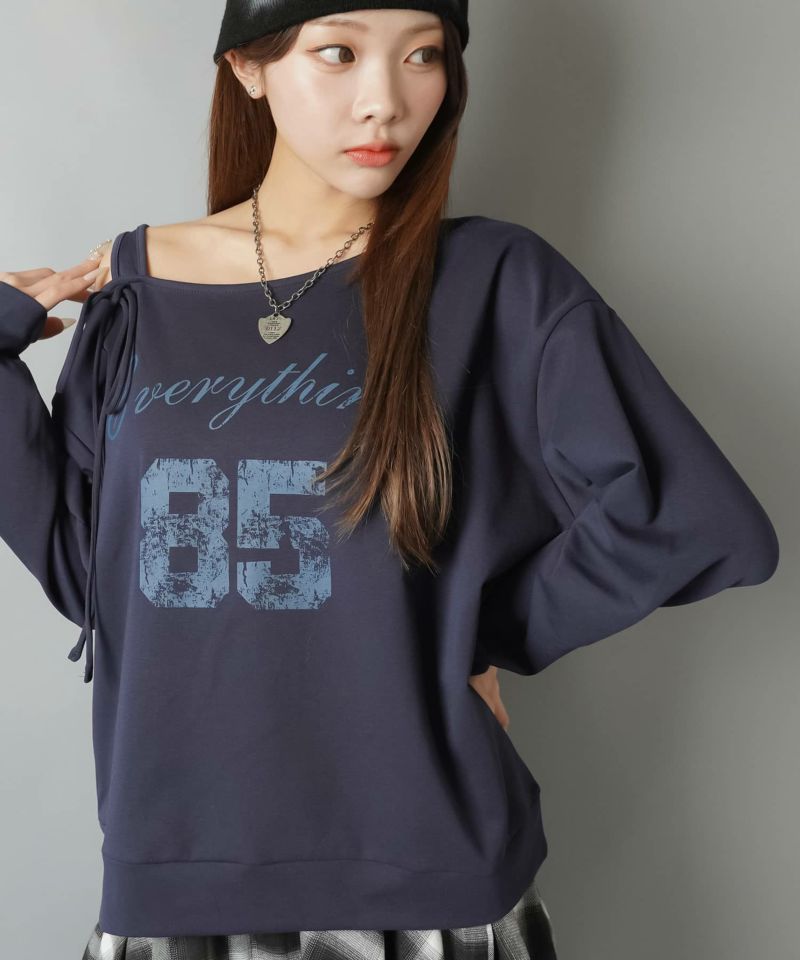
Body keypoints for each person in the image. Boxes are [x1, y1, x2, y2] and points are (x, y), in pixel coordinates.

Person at [0, 2, 779, 958]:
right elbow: (93, 575)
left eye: (424, 56)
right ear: (249, 67)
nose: (386, 100)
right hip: (176, 870)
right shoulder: (137, 291)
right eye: (339, 53)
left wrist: (474, 632)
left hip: (431, 882)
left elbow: (691, 518)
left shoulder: (496, 279)